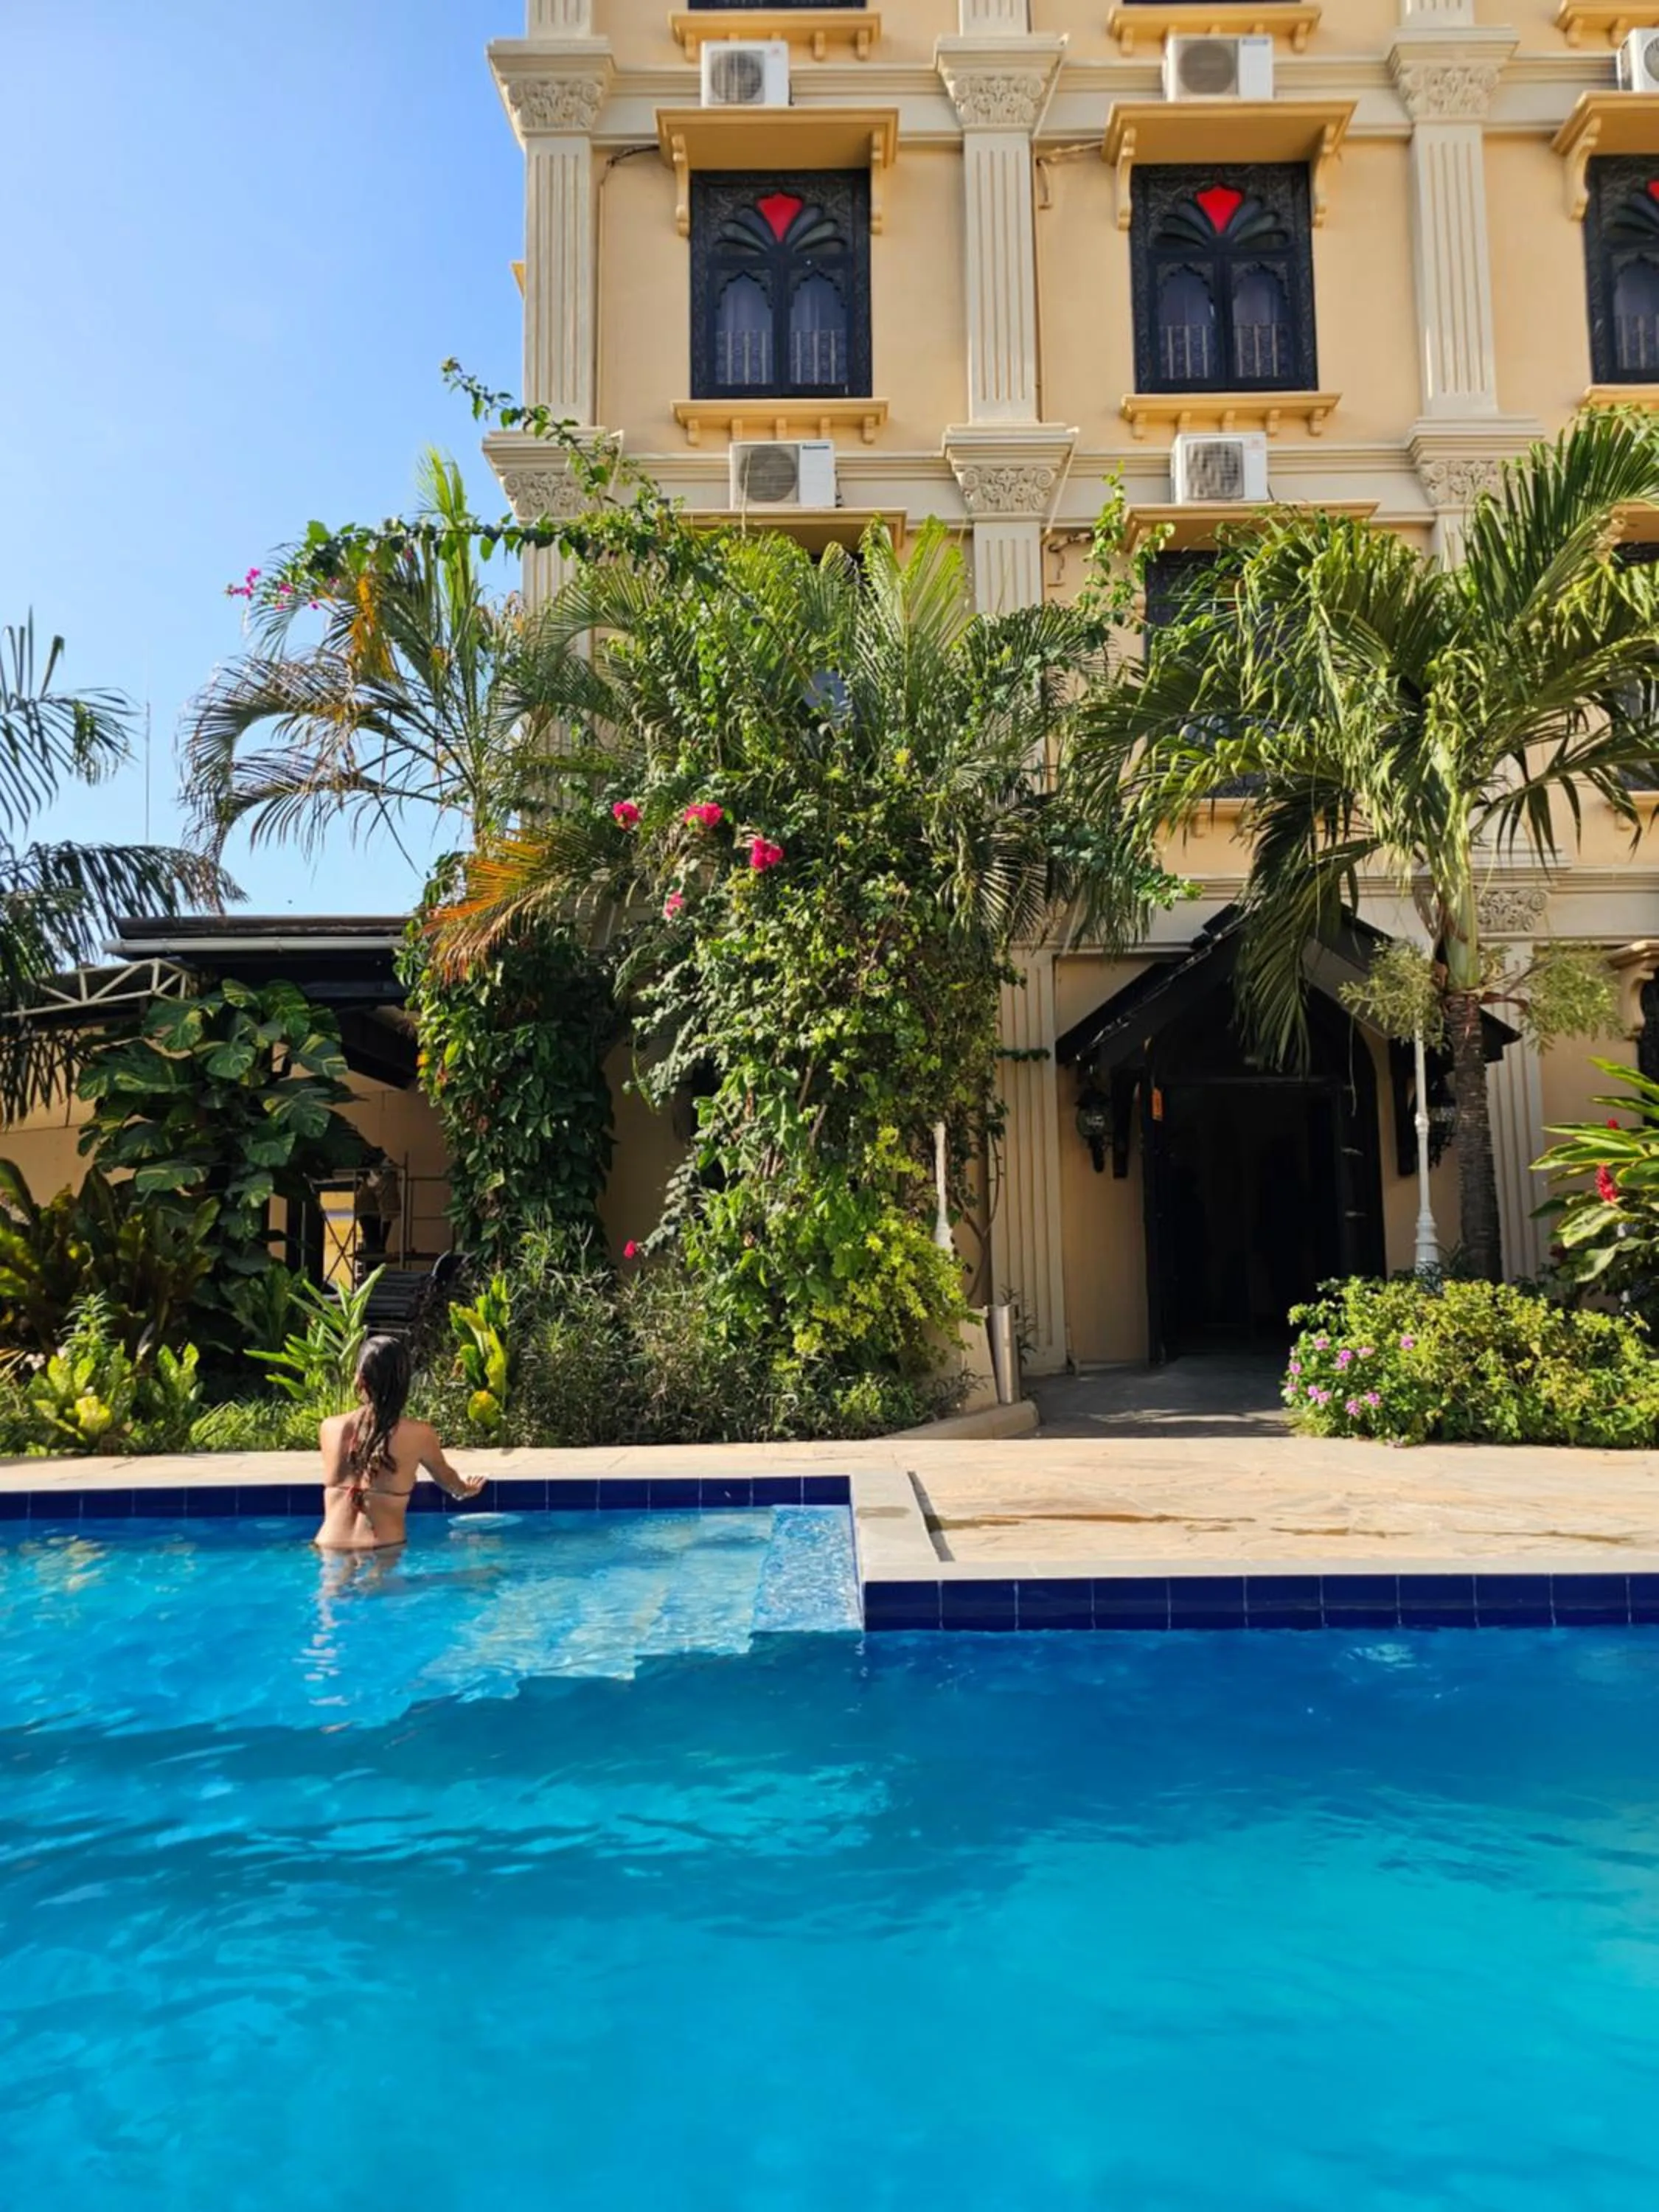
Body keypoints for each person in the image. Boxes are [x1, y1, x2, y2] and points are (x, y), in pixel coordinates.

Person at [316, 1334, 484, 1551]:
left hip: (328, 1545)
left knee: (332, 1586)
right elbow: (447, 1480)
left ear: (360, 1378)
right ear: (403, 1382)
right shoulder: (419, 1434)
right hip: (382, 1547)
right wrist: (465, 1489)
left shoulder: (330, 1428)